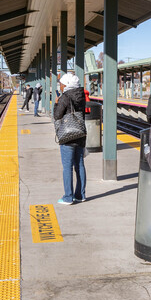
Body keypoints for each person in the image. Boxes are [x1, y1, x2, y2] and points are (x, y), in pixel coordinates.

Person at [54, 73, 87, 205]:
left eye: (61, 84)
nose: (60, 86)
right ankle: (80, 195)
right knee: (79, 165)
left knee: (67, 167)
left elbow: (57, 116)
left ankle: (68, 197)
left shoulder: (65, 97)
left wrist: (56, 104)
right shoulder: (81, 96)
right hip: (80, 133)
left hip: (68, 135)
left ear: (66, 84)